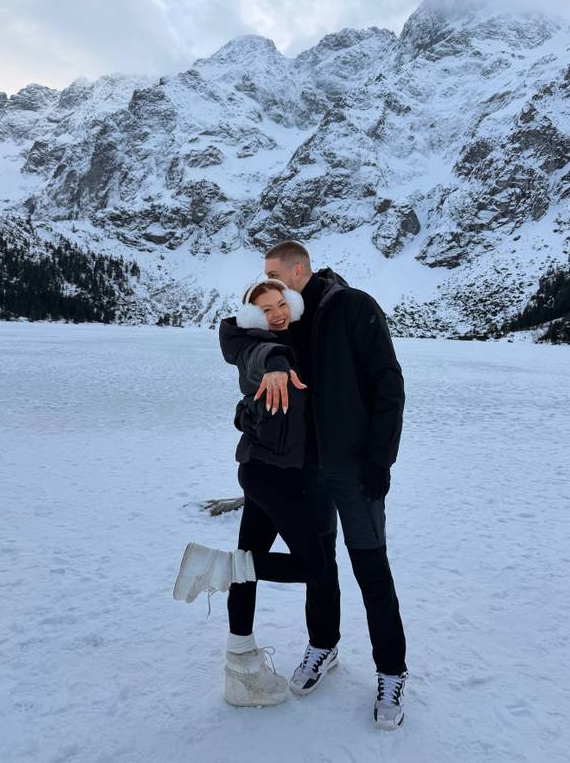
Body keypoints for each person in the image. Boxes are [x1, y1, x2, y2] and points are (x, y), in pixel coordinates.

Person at [260, 240, 408, 731]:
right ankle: (323, 645)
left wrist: (380, 461)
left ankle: (391, 671)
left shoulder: (355, 307)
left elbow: (389, 384)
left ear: (299, 271)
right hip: (309, 470)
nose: (270, 288)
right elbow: (235, 337)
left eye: (276, 276)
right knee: (320, 565)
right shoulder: (286, 322)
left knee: (371, 568)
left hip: (355, 471)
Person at [172, 279, 326, 708]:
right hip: (272, 477)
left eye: (282, 304)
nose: (276, 313)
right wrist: (276, 361)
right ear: (252, 318)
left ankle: (241, 669)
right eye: (265, 309)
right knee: (314, 566)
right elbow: (258, 356)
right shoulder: (260, 346)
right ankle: (216, 565)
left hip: (261, 472)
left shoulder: (290, 337)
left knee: (249, 565)